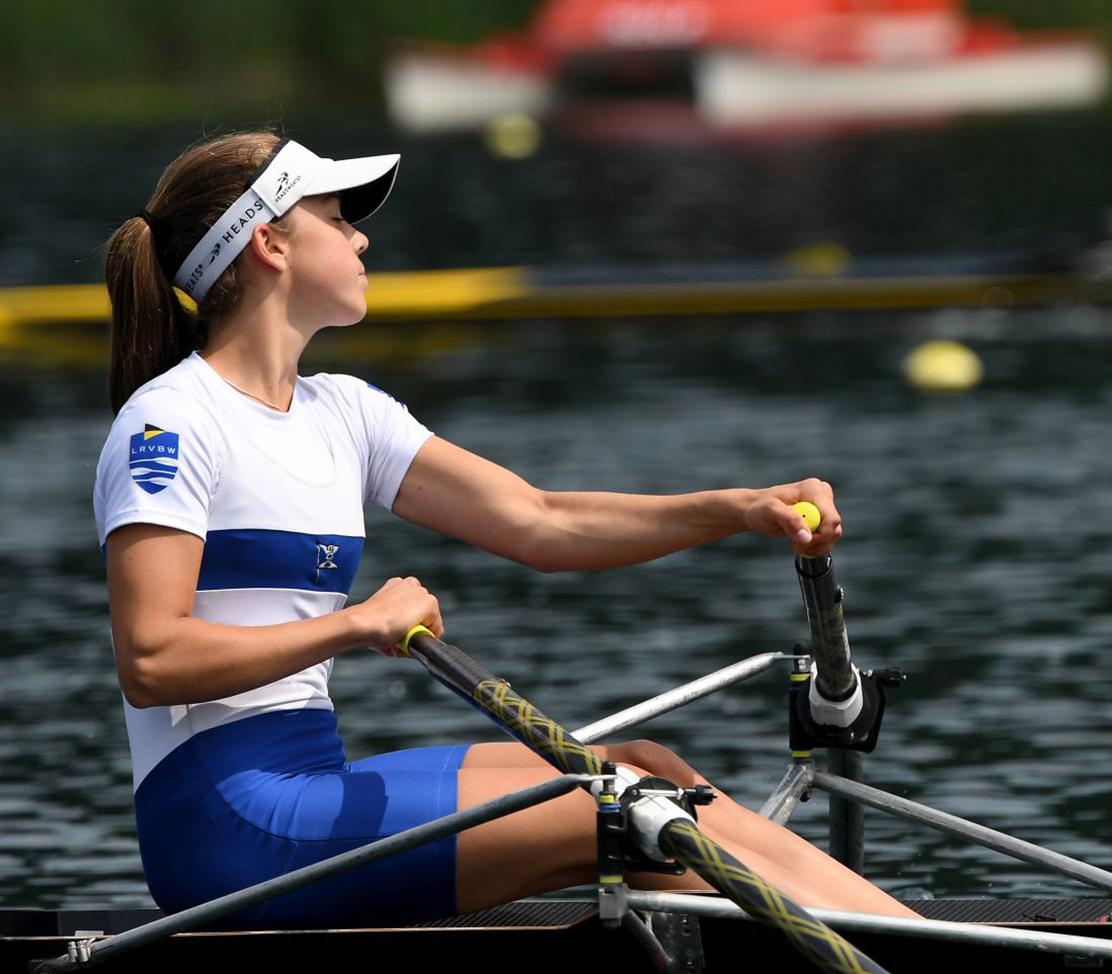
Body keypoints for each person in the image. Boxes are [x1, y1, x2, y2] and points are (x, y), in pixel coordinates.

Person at [92, 131, 917, 928]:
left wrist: (737, 508)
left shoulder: (341, 411)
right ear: (269, 243)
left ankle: (902, 936)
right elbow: (152, 659)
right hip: (224, 824)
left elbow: (540, 521)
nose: (361, 238)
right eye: (338, 220)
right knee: (622, 810)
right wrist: (357, 624)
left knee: (647, 770)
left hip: (306, 779)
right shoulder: (171, 423)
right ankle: (897, 949)